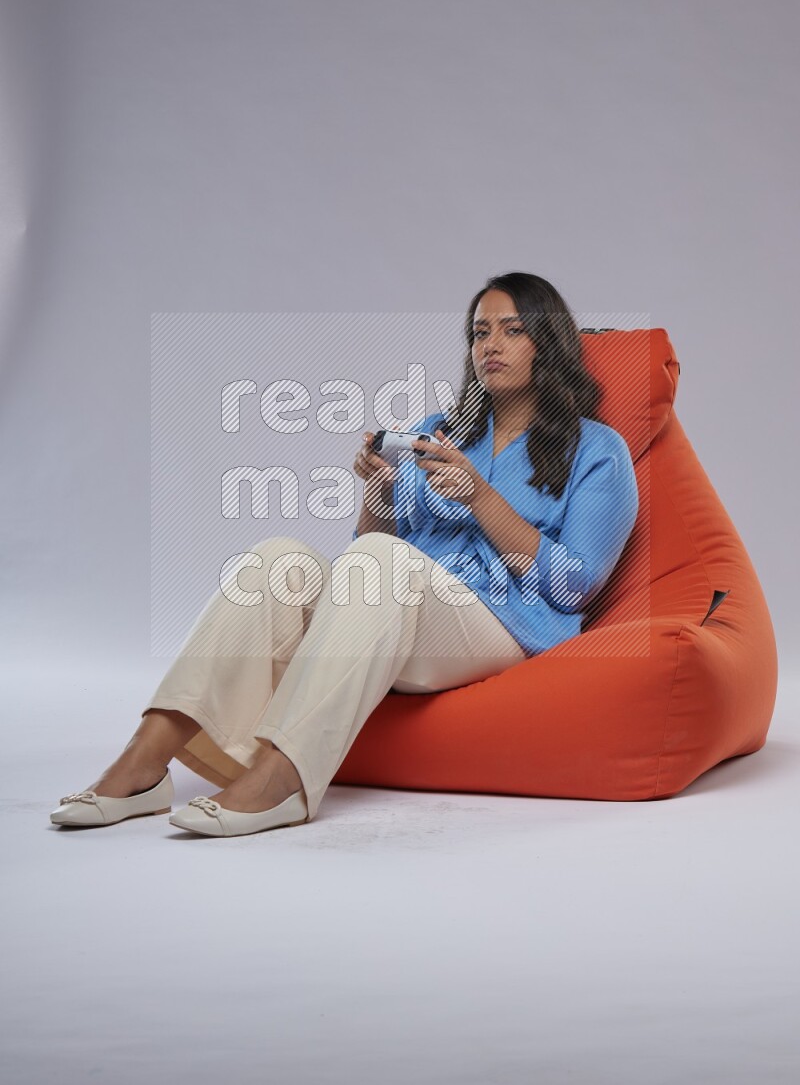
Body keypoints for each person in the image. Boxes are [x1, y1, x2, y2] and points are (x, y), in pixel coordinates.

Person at [50, 272, 639, 837]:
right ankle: (146, 760)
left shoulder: (597, 449)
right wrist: (378, 491)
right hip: (408, 611)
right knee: (276, 560)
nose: (491, 345)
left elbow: (574, 586)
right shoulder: (442, 430)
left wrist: (481, 497)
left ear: (550, 342)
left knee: (383, 564)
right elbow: (370, 551)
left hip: (505, 625)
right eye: (480, 332)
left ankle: (283, 780)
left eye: (512, 330)